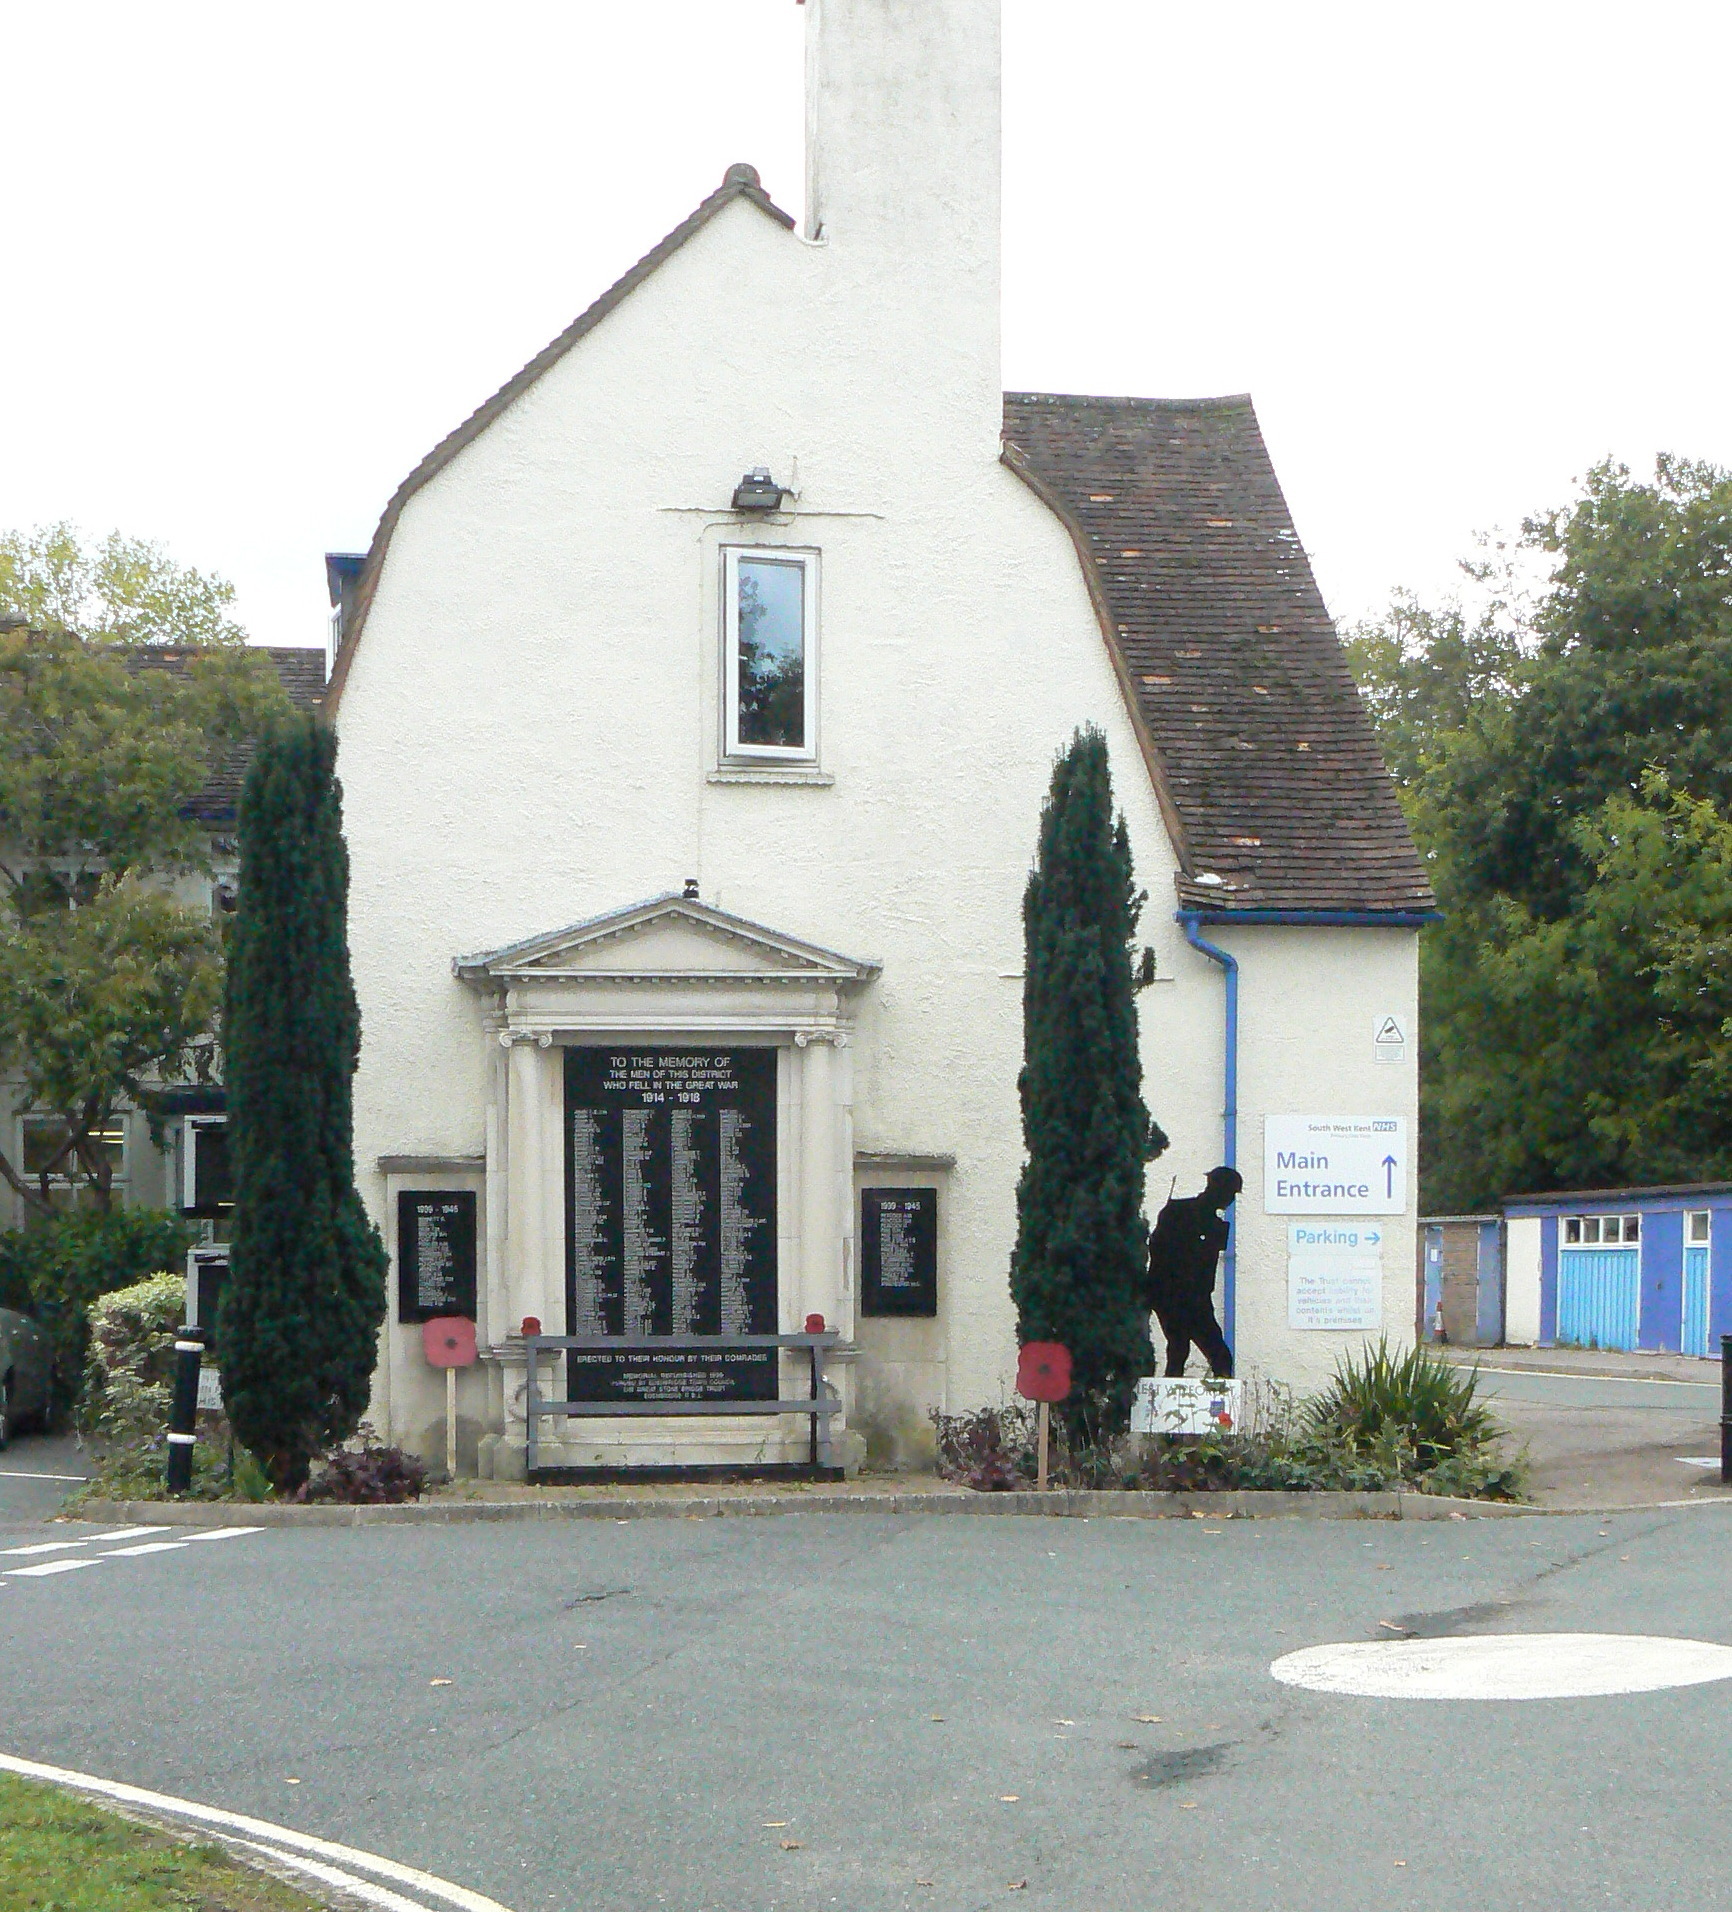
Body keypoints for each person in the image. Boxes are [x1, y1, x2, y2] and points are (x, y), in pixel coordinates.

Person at [1144, 1166, 1240, 1378]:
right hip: (1173, 1295)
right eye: (1230, 1193)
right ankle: (1170, 1404)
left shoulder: (1214, 1224)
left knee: (1212, 1355)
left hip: (1196, 1298)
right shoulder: (1178, 1211)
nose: (1231, 1199)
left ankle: (1221, 1407)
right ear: (1217, 1189)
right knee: (1181, 1349)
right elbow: (1159, 1249)